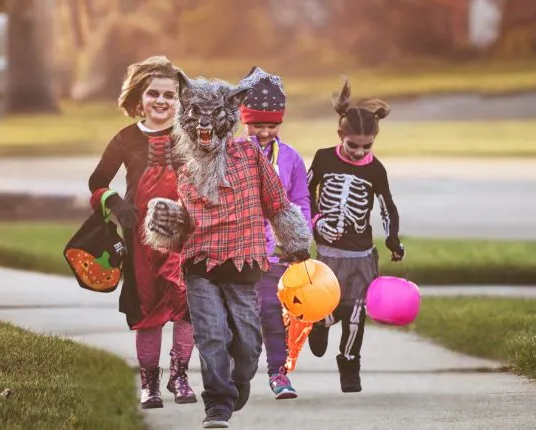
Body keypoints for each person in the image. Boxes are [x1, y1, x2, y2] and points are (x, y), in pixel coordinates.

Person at [142, 71, 313, 429]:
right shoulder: (184, 163)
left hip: (245, 263)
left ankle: (237, 383)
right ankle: (217, 405)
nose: (204, 128)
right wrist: (166, 221)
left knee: (248, 347)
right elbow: (184, 218)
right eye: (196, 119)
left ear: (228, 118)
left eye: (212, 119)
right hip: (200, 264)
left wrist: (296, 243)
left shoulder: (249, 155)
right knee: (212, 337)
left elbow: (277, 202)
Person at [86, 55, 196, 409]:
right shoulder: (126, 139)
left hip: (185, 237)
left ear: (180, 100)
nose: (162, 101)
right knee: (146, 310)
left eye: (170, 95)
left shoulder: (190, 135)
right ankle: (149, 383)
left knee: (187, 307)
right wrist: (114, 203)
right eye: (154, 94)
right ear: (139, 99)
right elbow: (97, 181)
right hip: (141, 241)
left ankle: (180, 376)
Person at [305, 76, 405, 393]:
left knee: (356, 312)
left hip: (361, 255)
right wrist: (316, 221)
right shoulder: (323, 158)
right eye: (353, 145)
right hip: (329, 254)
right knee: (329, 308)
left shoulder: (375, 169)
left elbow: (387, 206)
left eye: (367, 146)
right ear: (340, 135)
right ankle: (320, 324)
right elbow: (303, 195)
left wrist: (393, 238)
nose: (360, 152)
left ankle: (349, 363)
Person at [237, 66, 312, 400]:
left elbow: (300, 200)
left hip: (273, 254)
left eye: (271, 125)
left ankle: (278, 374)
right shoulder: (231, 153)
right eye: (257, 125)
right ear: (243, 120)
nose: (264, 132)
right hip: (236, 252)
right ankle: (236, 375)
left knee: (272, 313)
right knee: (239, 320)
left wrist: (296, 240)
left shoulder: (291, 158)